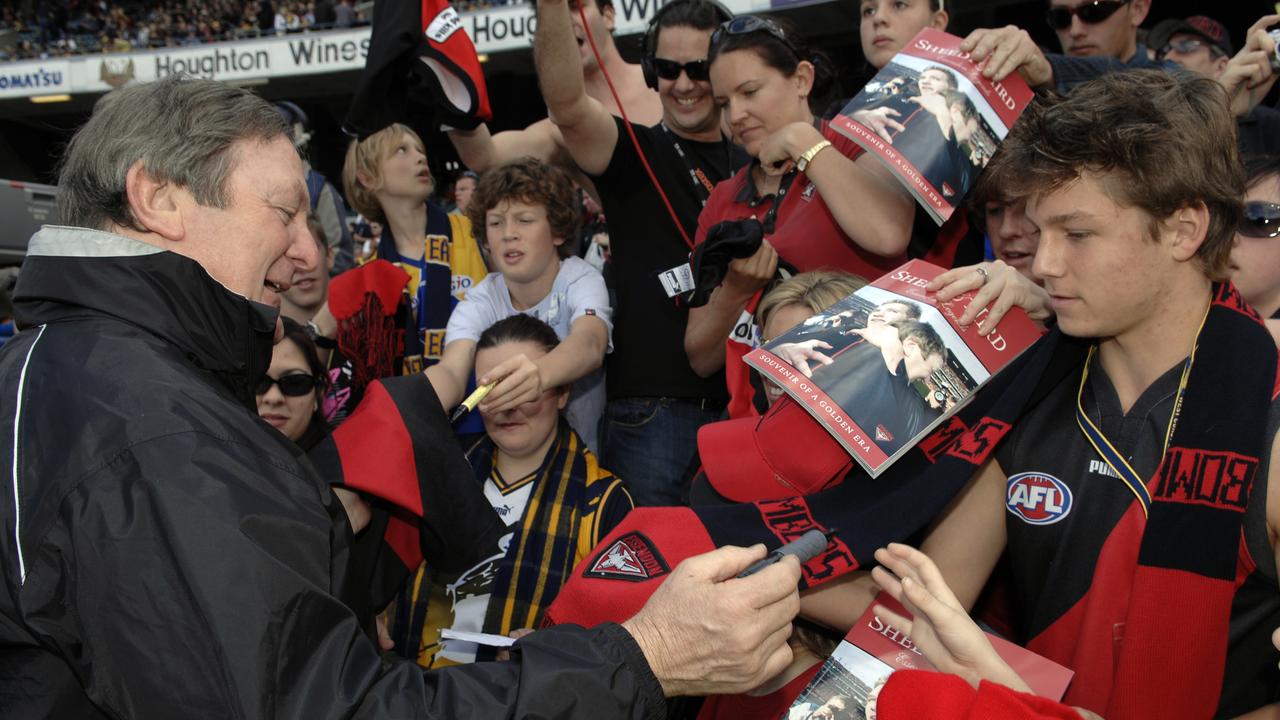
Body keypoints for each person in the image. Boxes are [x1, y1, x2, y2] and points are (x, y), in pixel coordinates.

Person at [0, 75, 805, 719]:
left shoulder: (83, 372)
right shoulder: (150, 431)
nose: (304, 249)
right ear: (159, 197)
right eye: (282, 211)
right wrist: (645, 660)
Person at [851, 70, 1280, 718]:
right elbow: (920, 608)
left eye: (1076, 234)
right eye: (1039, 229)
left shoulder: (1265, 420)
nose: (1043, 263)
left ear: (1183, 230)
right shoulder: (1030, 389)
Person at [529, 0, 750, 505]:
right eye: (668, 69)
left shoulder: (758, 158)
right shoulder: (631, 150)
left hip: (751, 411)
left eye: (699, 68)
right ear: (651, 73)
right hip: (655, 418)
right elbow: (566, 103)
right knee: (649, 581)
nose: (684, 83)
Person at [685, 14, 915, 419]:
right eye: (723, 103)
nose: (735, 115)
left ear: (802, 80)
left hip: (878, 403)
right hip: (771, 420)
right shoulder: (723, 198)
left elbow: (888, 233)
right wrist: (737, 289)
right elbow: (700, 357)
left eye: (750, 91)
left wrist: (803, 141)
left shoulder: (859, 139)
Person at [392, 314, 632, 667]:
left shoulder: (603, 502)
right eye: (490, 391)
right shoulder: (439, 473)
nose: (506, 406)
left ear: (562, 391)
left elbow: (623, 636)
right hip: (416, 691)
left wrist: (562, 647)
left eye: (522, 388)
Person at [425, 158, 611, 453]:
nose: (508, 233)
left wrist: (539, 375)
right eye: (496, 222)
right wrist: (415, 403)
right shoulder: (480, 298)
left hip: (586, 459)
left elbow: (590, 342)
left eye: (524, 220)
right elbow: (451, 369)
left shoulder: (580, 279)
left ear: (558, 231)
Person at [278, 214, 334, 324]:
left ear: (329, 256)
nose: (300, 267)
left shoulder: (368, 322)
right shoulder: (252, 336)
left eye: (309, 251)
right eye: (285, 255)